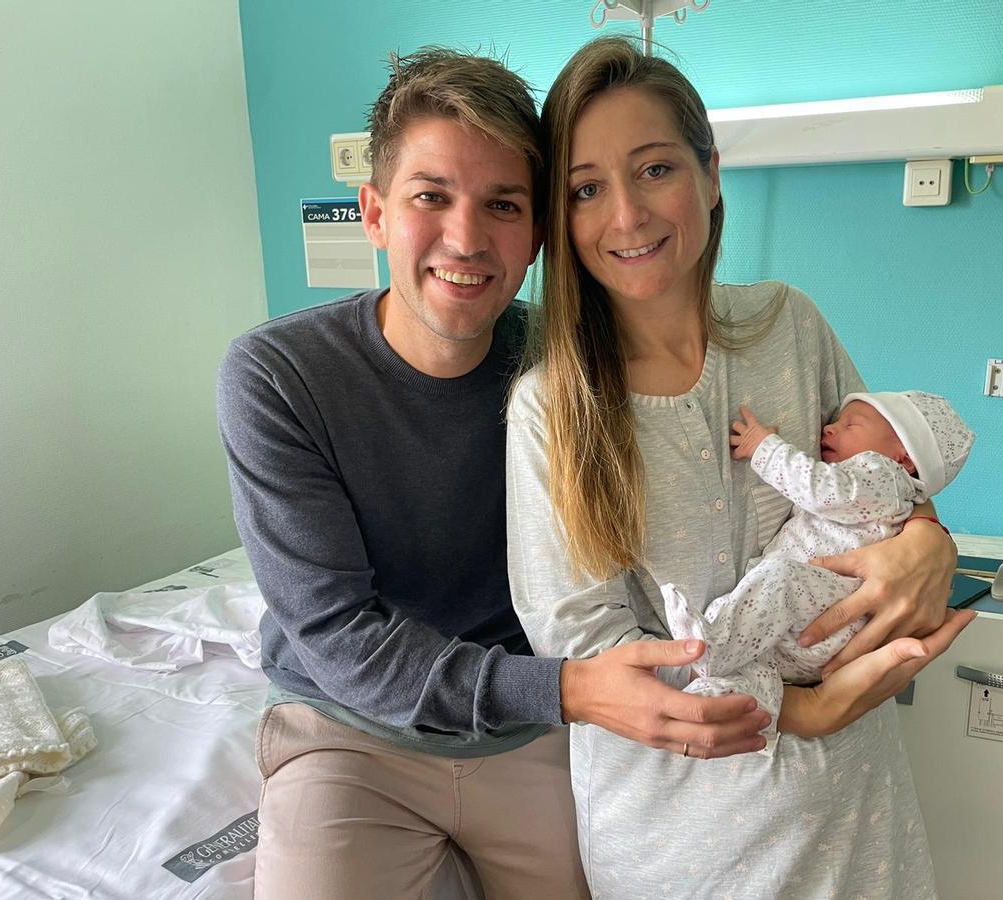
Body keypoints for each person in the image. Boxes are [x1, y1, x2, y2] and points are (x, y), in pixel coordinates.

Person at [217, 47, 771, 900]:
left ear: (539, 233)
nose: (467, 239)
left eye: (503, 205)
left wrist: (912, 533)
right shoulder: (280, 376)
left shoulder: (568, 368)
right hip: (352, 736)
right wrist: (568, 690)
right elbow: (335, 637)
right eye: (430, 197)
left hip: (532, 736)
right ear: (373, 213)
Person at [505, 36, 976, 898]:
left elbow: (885, 488)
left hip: (854, 814)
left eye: (654, 170)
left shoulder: (788, 326)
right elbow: (589, 654)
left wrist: (931, 542)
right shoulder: (551, 411)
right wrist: (809, 709)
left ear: (711, 175)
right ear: (559, 218)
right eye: (585, 189)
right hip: (684, 838)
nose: (627, 216)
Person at [663, 392, 976, 749]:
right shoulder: (892, 492)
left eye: (851, 424)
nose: (829, 428)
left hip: (826, 612)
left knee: (779, 579)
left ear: (903, 457)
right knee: (756, 656)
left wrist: (765, 447)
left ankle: (709, 650)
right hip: (819, 636)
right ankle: (723, 697)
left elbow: (823, 490)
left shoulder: (882, 475)